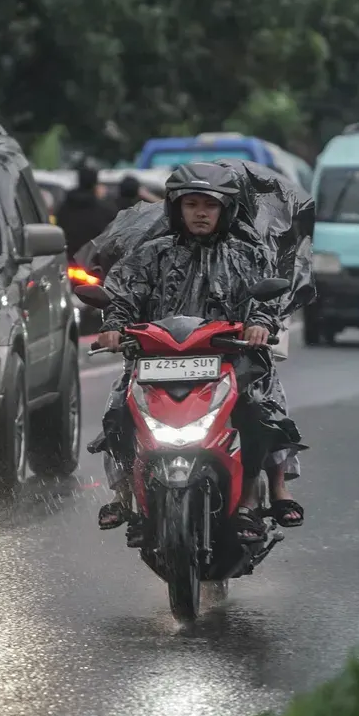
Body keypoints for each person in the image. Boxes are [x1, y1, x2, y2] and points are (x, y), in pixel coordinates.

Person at [93, 162, 305, 544]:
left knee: (262, 408)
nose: (201, 213)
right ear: (177, 209)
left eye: (210, 205)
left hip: (231, 357)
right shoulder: (150, 255)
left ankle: (268, 493)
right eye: (191, 204)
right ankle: (124, 494)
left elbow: (265, 299)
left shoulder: (247, 254)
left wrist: (260, 324)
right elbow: (123, 296)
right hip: (157, 359)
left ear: (226, 210)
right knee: (118, 411)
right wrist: (112, 326)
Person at [57, 165, 119, 257]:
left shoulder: (63, 207)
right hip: (93, 261)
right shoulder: (106, 209)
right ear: (95, 183)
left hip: (67, 258)